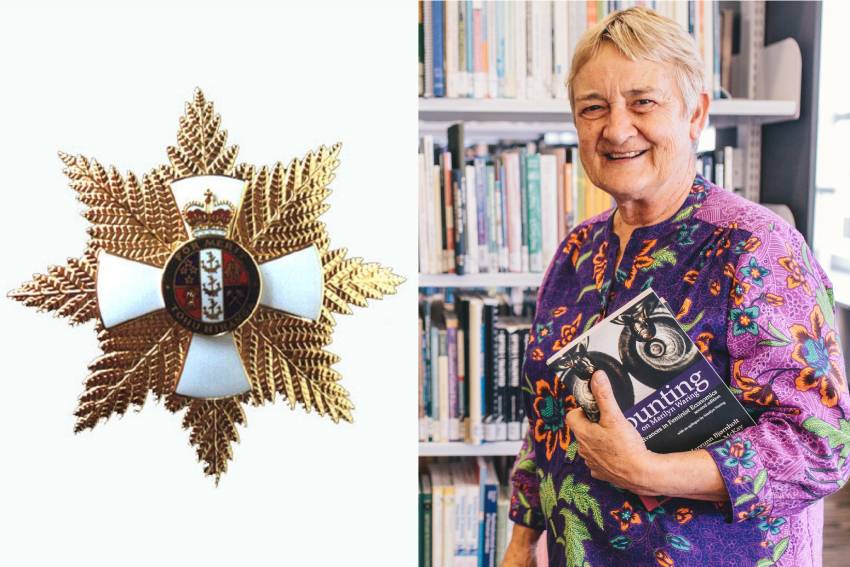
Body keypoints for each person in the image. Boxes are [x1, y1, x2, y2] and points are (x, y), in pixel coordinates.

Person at [502, 7, 849, 567]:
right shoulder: (575, 253)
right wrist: (521, 542)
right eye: (594, 108)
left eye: (643, 102)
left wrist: (645, 471)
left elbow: (820, 446)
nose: (616, 129)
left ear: (695, 114)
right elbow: (547, 416)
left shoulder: (755, 248)